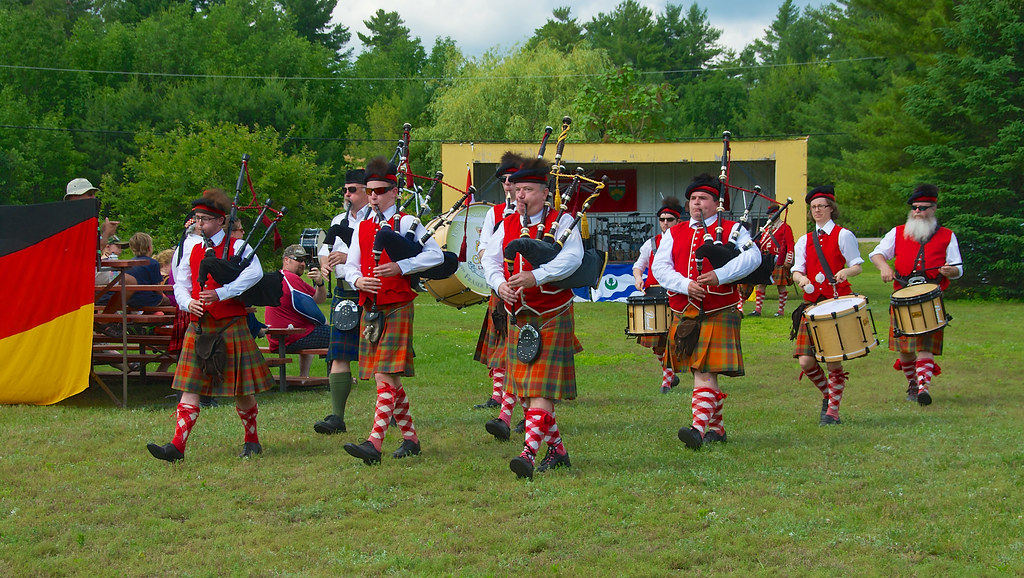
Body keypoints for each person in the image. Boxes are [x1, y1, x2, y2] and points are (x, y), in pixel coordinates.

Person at [146, 188, 274, 462]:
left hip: (230, 323)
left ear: (221, 221)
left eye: (205, 219)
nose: (199, 224)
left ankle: (251, 440)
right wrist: (187, 302)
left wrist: (222, 293)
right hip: (200, 324)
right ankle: (176, 446)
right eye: (197, 218)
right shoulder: (188, 247)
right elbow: (179, 283)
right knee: (190, 387)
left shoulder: (237, 246)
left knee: (242, 389)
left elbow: (255, 273)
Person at [482, 157, 584, 479]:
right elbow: (492, 261)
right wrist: (500, 285)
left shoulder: (564, 221)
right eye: (518, 189)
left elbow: (573, 260)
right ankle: (558, 451)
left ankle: (528, 454)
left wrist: (536, 277)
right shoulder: (507, 223)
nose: (520, 195)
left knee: (539, 389)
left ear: (544, 192)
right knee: (526, 391)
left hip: (552, 313)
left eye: (527, 189)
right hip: (520, 314)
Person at [341, 158, 443, 465]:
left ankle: (374, 443)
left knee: (384, 373)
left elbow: (436, 256)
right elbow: (349, 265)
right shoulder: (361, 225)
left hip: (397, 305)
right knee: (388, 380)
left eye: (381, 190)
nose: (373, 196)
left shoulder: (408, 223)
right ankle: (410, 439)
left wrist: (401, 266)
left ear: (394, 192)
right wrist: (357, 278)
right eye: (370, 191)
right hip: (371, 307)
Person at [651, 174, 760, 449]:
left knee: (704, 371)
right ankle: (718, 429)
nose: (697, 203)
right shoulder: (673, 232)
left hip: (719, 309)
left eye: (703, 198)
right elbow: (660, 268)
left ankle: (697, 429)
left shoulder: (734, 230)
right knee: (701, 371)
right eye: (693, 199)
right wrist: (686, 285)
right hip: (685, 310)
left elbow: (753, 258)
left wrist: (720, 276)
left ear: (716, 203)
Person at [868, 184, 963, 406]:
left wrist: (952, 271)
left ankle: (923, 388)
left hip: (932, 298)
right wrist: (884, 267)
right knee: (905, 351)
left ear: (934, 209)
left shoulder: (948, 236)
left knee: (924, 347)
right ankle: (913, 382)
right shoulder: (898, 232)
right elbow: (877, 253)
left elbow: (959, 268)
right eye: (915, 208)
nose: (918, 212)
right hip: (902, 298)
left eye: (923, 208)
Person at [790, 185, 863, 426]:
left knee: (833, 360)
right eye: (813, 207)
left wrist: (845, 271)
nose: (818, 210)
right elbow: (796, 270)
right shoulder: (804, 240)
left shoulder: (844, 235)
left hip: (836, 303)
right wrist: (800, 279)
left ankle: (832, 412)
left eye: (822, 206)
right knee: (806, 361)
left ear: (831, 208)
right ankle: (828, 394)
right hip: (811, 307)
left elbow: (857, 266)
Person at [313, 169, 371, 435]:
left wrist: (347, 259)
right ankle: (337, 416)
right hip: (344, 293)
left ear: (367, 191)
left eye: (352, 190)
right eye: (345, 190)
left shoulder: (378, 219)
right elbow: (324, 250)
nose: (347, 195)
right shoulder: (339, 219)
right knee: (340, 354)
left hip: (371, 291)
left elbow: (375, 256)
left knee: (382, 357)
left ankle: (393, 410)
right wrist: (326, 264)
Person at [479, 152, 529, 440]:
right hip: (502, 287)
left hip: (531, 292)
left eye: (514, 180)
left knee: (523, 354)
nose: (509, 185)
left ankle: (519, 413)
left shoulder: (540, 212)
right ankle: (504, 405)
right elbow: (485, 250)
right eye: (505, 181)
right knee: (505, 348)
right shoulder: (495, 214)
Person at [632, 197, 684, 394]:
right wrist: (638, 278)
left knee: (673, 338)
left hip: (677, 294)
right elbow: (639, 265)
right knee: (656, 341)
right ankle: (669, 372)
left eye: (669, 219)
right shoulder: (652, 242)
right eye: (662, 219)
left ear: (677, 221)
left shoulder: (684, 239)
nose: (665, 223)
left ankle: (667, 379)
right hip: (654, 293)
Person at [265, 244, 329, 378]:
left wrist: (319, 283)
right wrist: (324, 322)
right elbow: (313, 310)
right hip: (289, 337)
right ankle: (337, 376)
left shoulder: (280, 277)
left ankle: (304, 377)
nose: (302, 263)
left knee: (310, 328)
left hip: (279, 337)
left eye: (304, 260)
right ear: (286, 260)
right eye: (298, 260)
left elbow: (318, 299)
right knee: (338, 335)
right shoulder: (291, 279)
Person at [750, 204, 795, 317]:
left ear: (777, 214)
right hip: (765, 259)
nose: (770, 216)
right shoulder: (766, 228)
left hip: (777, 259)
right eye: (769, 215)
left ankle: (781, 310)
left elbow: (790, 245)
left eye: (772, 214)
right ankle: (758, 310)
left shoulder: (785, 227)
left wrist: (788, 261)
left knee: (781, 286)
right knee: (761, 283)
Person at [65, 177, 118, 259]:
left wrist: (103, 231)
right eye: (90, 194)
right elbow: (91, 253)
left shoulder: (81, 219)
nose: (94, 197)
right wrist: (107, 233)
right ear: (74, 197)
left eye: (94, 194)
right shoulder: (71, 222)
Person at [124, 232, 169, 308]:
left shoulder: (129, 263)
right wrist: (162, 296)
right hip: (149, 300)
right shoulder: (153, 263)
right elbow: (157, 287)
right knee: (168, 301)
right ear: (149, 248)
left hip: (131, 300)